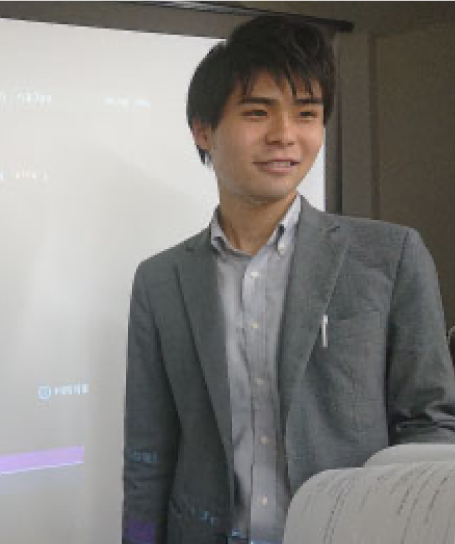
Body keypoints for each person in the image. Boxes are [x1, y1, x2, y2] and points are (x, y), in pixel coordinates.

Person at [122, 15, 455, 544]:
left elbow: (430, 425)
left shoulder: (390, 257)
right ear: (203, 130)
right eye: (258, 112)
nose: (285, 135)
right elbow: (148, 457)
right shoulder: (160, 280)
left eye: (307, 113)